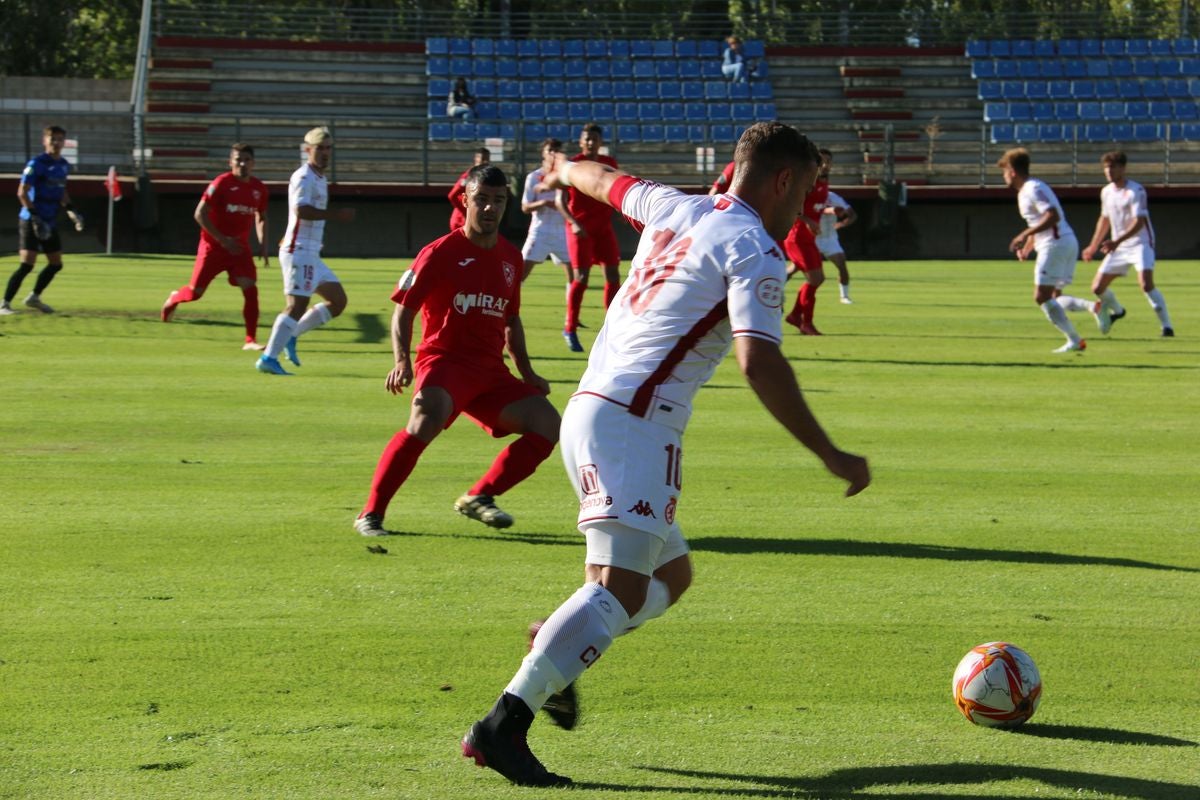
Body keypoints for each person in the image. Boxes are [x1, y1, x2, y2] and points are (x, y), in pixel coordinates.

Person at [461, 122, 871, 787]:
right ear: (783, 180)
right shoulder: (754, 248)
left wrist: (564, 167)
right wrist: (830, 453)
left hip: (596, 411)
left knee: (670, 578)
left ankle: (555, 650)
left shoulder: (677, 205)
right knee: (618, 593)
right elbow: (758, 360)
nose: (806, 207)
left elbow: (603, 182)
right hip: (634, 427)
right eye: (808, 189)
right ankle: (502, 726)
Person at [353, 164, 560, 536]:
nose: (489, 208)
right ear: (465, 201)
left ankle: (479, 497)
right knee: (425, 419)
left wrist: (528, 374)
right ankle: (371, 513)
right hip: (444, 362)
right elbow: (404, 310)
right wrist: (402, 361)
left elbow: (511, 320)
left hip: (490, 373)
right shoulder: (439, 253)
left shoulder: (511, 258)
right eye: (481, 199)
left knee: (548, 425)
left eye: (497, 201)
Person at [255, 127, 356, 375]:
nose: (324, 153)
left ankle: (291, 335)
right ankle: (268, 357)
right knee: (296, 305)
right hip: (298, 250)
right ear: (307, 150)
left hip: (310, 252)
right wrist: (336, 215)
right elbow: (301, 210)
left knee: (338, 301)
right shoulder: (303, 177)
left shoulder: (319, 178)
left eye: (328, 148)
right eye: (319, 148)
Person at [160, 144, 270, 349]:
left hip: (239, 249)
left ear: (253, 163)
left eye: (246, 159)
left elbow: (261, 217)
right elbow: (199, 214)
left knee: (250, 288)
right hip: (213, 247)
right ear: (230, 162)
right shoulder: (221, 183)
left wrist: (263, 244)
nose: (242, 164)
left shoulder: (259, 189)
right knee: (195, 293)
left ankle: (250, 340)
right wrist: (222, 239)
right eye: (238, 159)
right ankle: (175, 298)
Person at [999, 147, 1094, 353]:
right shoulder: (1026, 191)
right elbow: (1039, 219)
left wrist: (1024, 234)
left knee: (1041, 296)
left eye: (1004, 171)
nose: (1003, 176)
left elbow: (1052, 216)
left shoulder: (1033, 188)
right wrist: (1027, 247)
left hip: (1056, 244)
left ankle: (1075, 339)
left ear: (1012, 171)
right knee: (1053, 295)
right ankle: (1092, 309)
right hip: (1060, 242)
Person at [1081, 151, 1174, 338]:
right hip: (1119, 245)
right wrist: (1093, 246)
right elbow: (1104, 219)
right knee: (1097, 288)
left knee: (1146, 284)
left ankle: (1167, 327)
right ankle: (1118, 311)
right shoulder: (1106, 192)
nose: (1108, 171)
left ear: (1123, 168)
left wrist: (1116, 241)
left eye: (1112, 167)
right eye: (1106, 168)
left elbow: (1138, 222)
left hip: (1141, 243)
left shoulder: (1136, 191)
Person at [2, 125, 83, 316]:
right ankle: (4, 304)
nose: (56, 143)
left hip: (49, 220)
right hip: (31, 220)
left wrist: (71, 210)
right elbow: (22, 192)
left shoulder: (63, 164)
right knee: (27, 264)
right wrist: (35, 217)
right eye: (52, 139)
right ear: (44, 141)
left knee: (56, 263)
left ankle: (34, 297)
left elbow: (61, 191)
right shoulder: (36, 163)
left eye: (60, 139)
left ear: (64, 142)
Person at [558, 123, 621, 352]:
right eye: (588, 139)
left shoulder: (610, 164)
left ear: (600, 142)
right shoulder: (572, 166)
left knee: (613, 274)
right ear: (581, 142)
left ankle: (612, 327)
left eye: (595, 139)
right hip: (580, 228)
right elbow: (559, 200)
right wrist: (573, 223)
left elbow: (616, 192)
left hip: (603, 228)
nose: (591, 142)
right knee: (581, 277)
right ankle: (570, 327)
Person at [782, 149, 830, 335]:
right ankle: (806, 322)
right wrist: (808, 220)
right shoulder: (806, 182)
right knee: (816, 279)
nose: (826, 165)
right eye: (823, 162)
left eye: (829, 161)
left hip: (808, 239)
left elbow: (814, 207)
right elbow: (790, 204)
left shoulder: (823, 182)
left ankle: (795, 315)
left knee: (812, 277)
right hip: (797, 238)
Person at [520, 138, 570, 282]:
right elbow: (525, 207)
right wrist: (543, 202)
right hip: (540, 230)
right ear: (543, 153)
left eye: (557, 150)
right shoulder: (533, 177)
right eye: (550, 150)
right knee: (521, 273)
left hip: (562, 230)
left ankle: (572, 304)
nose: (553, 154)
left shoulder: (565, 177)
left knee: (575, 276)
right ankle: (509, 302)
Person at [814, 152, 858, 304]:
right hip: (812, 238)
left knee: (842, 266)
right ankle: (779, 292)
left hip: (829, 238)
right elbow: (814, 210)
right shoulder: (809, 194)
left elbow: (852, 215)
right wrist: (830, 210)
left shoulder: (833, 197)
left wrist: (841, 223)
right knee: (796, 269)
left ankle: (844, 296)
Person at [448, 147, 490, 233]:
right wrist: (466, 211)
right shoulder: (469, 176)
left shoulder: (484, 177)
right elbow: (452, 195)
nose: (485, 162)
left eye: (487, 160)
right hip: (460, 222)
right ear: (476, 159)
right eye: (483, 159)